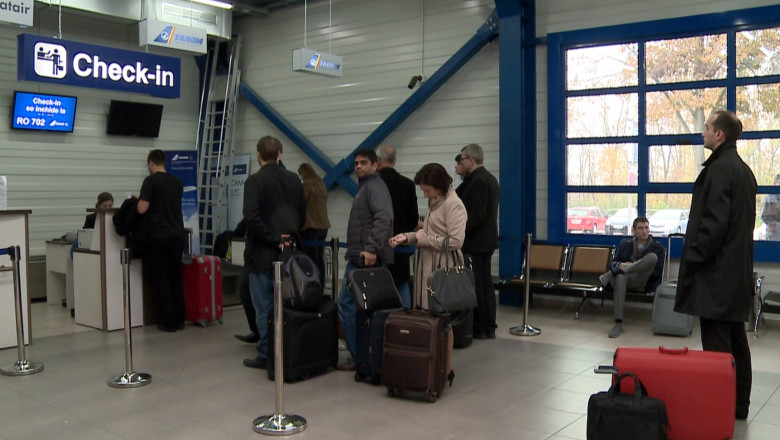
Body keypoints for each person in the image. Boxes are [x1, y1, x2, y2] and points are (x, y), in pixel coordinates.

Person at [674, 110, 757, 420]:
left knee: (718, 348)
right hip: (736, 273)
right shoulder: (744, 171)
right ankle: (738, 407)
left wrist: (694, 257)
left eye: (707, 128)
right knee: (737, 340)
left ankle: (719, 407)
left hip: (716, 276)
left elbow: (713, 226)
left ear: (720, 134)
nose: (703, 132)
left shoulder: (719, 170)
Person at [242, 136, 306, 369]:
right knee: (289, 302)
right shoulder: (294, 180)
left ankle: (266, 353)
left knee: (264, 306)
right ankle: (287, 348)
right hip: (291, 252)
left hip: (262, 253)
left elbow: (252, 217)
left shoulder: (254, 182)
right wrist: (288, 236)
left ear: (258, 155)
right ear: (280, 153)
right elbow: (302, 214)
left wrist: (273, 238)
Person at [336, 148, 393, 371]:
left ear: (375, 164)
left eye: (363, 163)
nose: (358, 166)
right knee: (360, 308)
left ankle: (361, 356)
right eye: (356, 163)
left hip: (365, 258)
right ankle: (365, 355)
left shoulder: (374, 187)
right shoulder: (365, 188)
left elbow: (383, 219)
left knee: (346, 304)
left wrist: (371, 249)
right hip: (360, 256)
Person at [390, 163, 467, 310]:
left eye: (427, 190)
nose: (425, 195)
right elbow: (427, 232)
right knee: (428, 312)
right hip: (428, 265)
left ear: (439, 186)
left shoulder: (454, 204)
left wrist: (422, 239)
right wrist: (407, 238)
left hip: (444, 268)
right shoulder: (435, 201)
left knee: (441, 314)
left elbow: (456, 241)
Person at [136, 150, 185, 332]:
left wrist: (138, 200)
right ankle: (180, 318)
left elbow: (142, 209)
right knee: (175, 277)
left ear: (150, 163)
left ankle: (168, 320)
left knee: (162, 278)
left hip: (159, 236)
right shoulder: (177, 182)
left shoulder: (150, 181)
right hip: (177, 235)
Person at [459, 143, 500, 340]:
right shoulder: (490, 179)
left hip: (477, 241)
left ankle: (481, 325)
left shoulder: (477, 181)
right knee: (485, 283)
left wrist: (458, 231)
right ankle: (488, 325)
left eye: (463, 158)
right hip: (488, 240)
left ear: (471, 160)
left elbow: (475, 216)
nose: (461, 161)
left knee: (478, 284)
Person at [599, 216, 665, 338]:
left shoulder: (658, 248)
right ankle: (618, 324)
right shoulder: (625, 244)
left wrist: (638, 267)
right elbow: (613, 264)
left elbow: (657, 272)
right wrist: (622, 265)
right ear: (634, 230)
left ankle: (611, 275)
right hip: (623, 279)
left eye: (646, 227)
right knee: (620, 277)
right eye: (640, 228)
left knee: (652, 258)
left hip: (642, 279)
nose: (644, 231)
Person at [376, 145, 419, 309]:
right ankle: (405, 323)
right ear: (395, 161)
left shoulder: (371, 183)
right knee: (402, 285)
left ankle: (381, 324)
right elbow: (413, 218)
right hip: (400, 245)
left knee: (377, 288)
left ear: (378, 161)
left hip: (378, 246)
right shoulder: (407, 184)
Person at [298, 163, 331, 287]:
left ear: (303, 173)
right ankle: (320, 287)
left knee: (311, 261)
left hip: (310, 226)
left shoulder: (307, 185)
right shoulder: (320, 184)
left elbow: (300, 204)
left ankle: (312, 288)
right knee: (319, 259)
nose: (300, 177)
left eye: (300, 174)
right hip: (323, 226)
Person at [759, 173, 780, 240]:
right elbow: (763, 216)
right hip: (772, 234)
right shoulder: (769, 197)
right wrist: (771, 223)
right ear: (774, 183)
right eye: (779, 182)